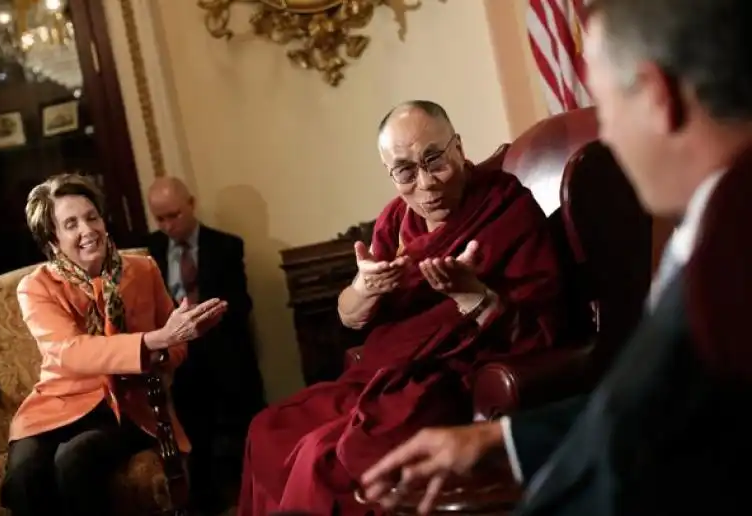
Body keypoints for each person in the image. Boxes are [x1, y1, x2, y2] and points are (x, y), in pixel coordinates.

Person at [361, 1, 752, 515]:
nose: (606, 137)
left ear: (657, 98)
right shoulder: (713, 218)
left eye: (607, 109)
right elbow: (656, 406)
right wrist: (501, 439)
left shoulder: (735, 246)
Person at [237, 100, 565, 515]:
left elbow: (543, 328)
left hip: (450, 379)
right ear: (390, 173)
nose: (425, 184)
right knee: (268, 429)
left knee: (323, 457)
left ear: (459, 148)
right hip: (381, 376)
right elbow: (349, 314)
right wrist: (364, 287)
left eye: (435, 160)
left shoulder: (507, 209)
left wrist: (471, 295)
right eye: (406, 171)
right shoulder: (395, 222)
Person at [0, 173, 226, 516]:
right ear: (53, 239)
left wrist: (170, 346)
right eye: (71, 224)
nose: (88, 230)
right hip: (58, 405)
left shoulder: (143, 269)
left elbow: (176, 346)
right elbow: (69, 351)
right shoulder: (36, 287)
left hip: (126, 405)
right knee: (23, 476)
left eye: (92, 217)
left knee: (72, 462)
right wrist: (154, 339)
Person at [146, 176, 266, 512]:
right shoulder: (147, 252)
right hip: (175, 357)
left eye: (175, 215)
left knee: (237, 387)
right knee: (192, 436)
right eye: (161, 219)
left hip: (222, 345)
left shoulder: (226, 246)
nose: (169, 225)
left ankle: (256, 496)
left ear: (192, 204)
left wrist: (205, 319)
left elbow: (241, 306)